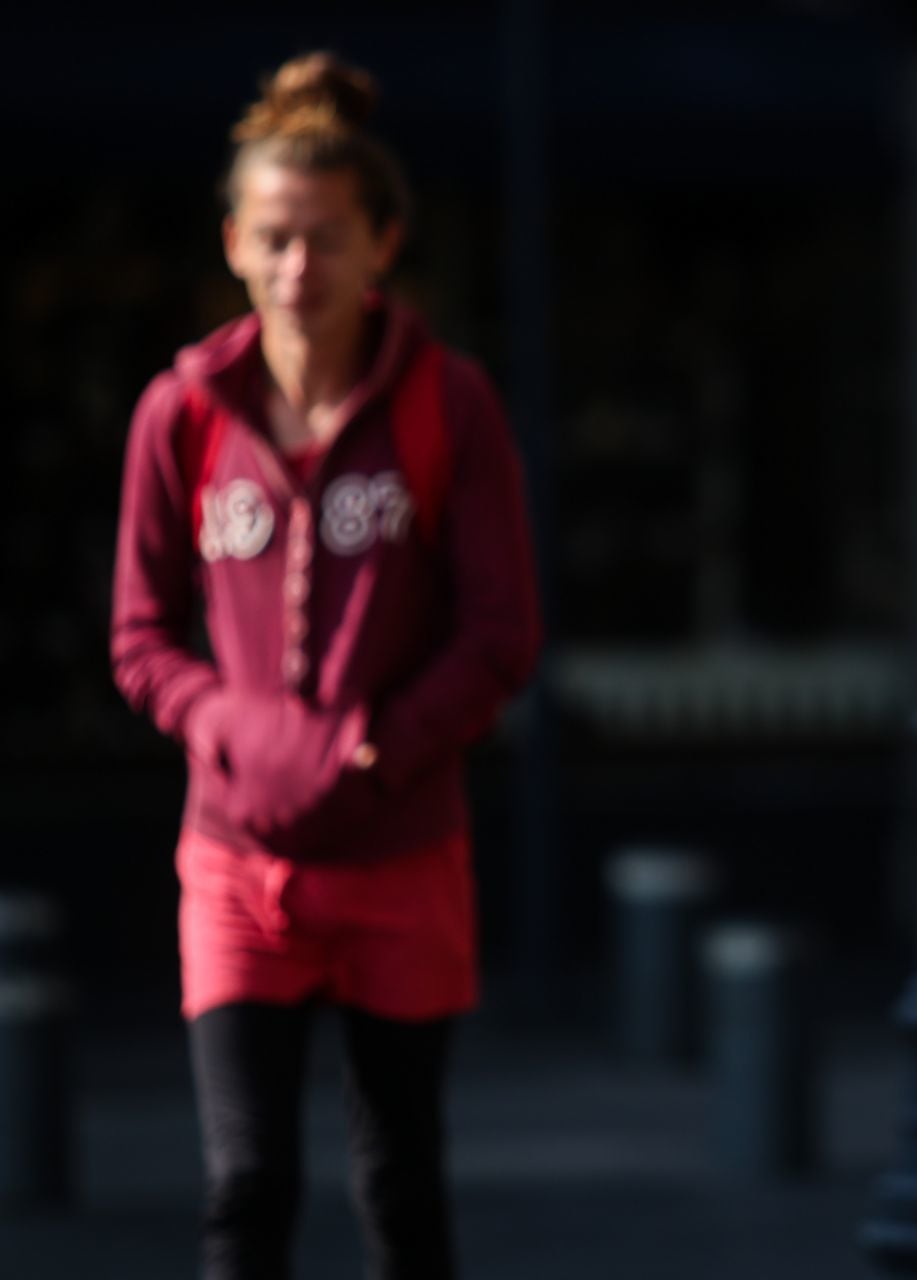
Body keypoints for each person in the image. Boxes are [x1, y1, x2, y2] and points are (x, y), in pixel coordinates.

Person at [110, 52, 540, 1280]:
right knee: (247, 1184)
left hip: (403, 856)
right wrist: (242, 728)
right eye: (278, 237)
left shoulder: (447, 404)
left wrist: (382, 742)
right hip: (237, 865)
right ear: (237, 242)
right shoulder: (181, 412)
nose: (303, 268)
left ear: (382, 244)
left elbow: (501, 630)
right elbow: (141, 640)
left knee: (397, 1179)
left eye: (330, 237)